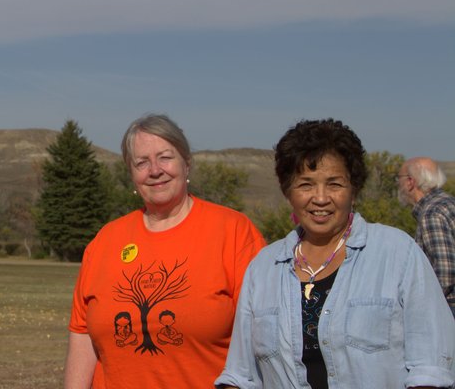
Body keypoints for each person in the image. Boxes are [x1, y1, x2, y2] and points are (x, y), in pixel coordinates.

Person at [216, 119, 455, 388]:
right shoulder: (263, 269)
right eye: (306, 185)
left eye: (334, 184)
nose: (320, 198)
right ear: (287, 192)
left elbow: (431, 367)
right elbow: (241, 374)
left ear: (354, 189)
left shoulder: (398, 255)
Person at [64, 114, 266, 388]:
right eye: (141, 162)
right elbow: (82, 334)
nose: (155, 170)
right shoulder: (106, 241)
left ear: (187, 163)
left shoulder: (233, 232)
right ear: (132, 173)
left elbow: (261, 334)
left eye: (165, 157)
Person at [397, 157, 455, 318]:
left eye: (399, 178)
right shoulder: (448, 203)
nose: (398, 184)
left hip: (448, 308)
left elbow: (445, 273)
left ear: (410, 182)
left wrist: (419, 308)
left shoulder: (431, 213)